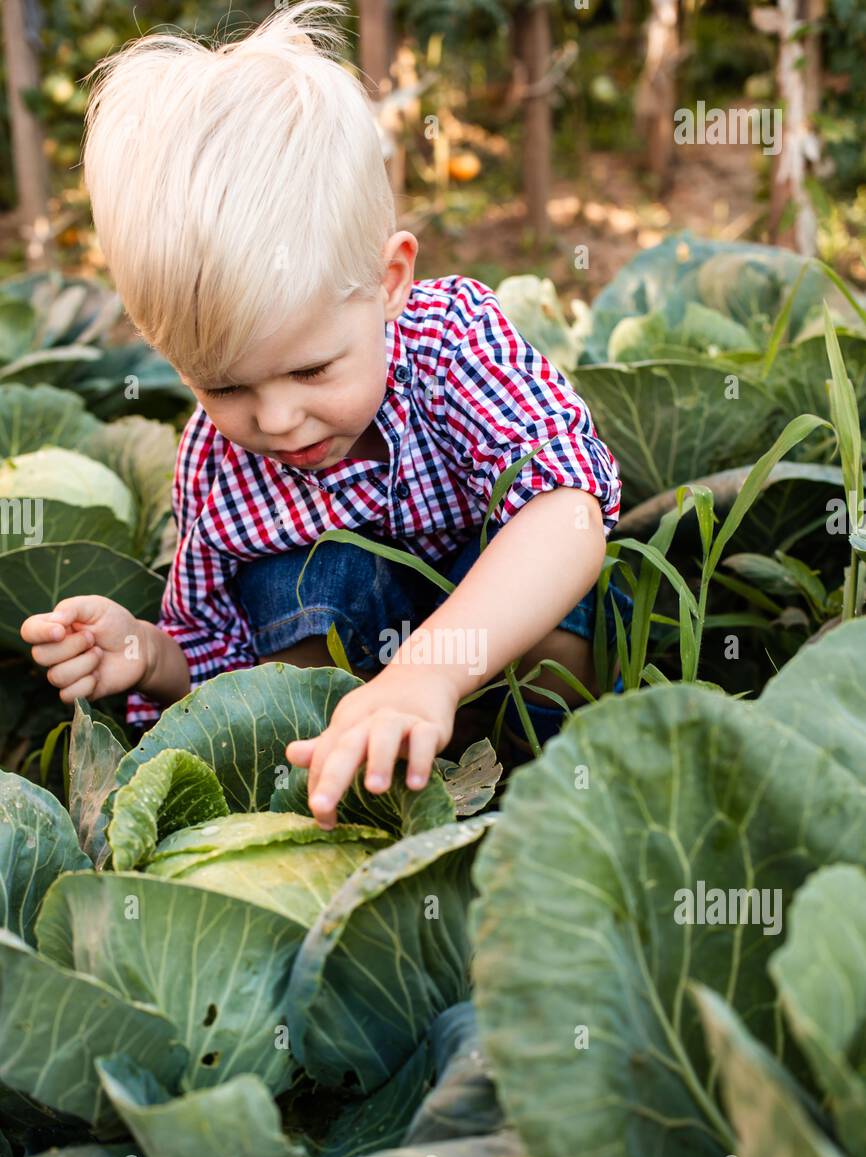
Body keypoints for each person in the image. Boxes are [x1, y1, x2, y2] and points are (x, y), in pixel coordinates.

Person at [19, 2, 631, 831]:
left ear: (389, 281)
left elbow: (568, 512)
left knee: (557, 600)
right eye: (223, 387)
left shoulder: (452, 338)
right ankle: (358, 805)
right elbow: (221, 665)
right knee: (291, 590)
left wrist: (430, 673)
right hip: (349, 734)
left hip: (503, 658)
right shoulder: (213, 464)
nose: (276, 418)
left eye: (311, 368)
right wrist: (149, 655)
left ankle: (555, 784)